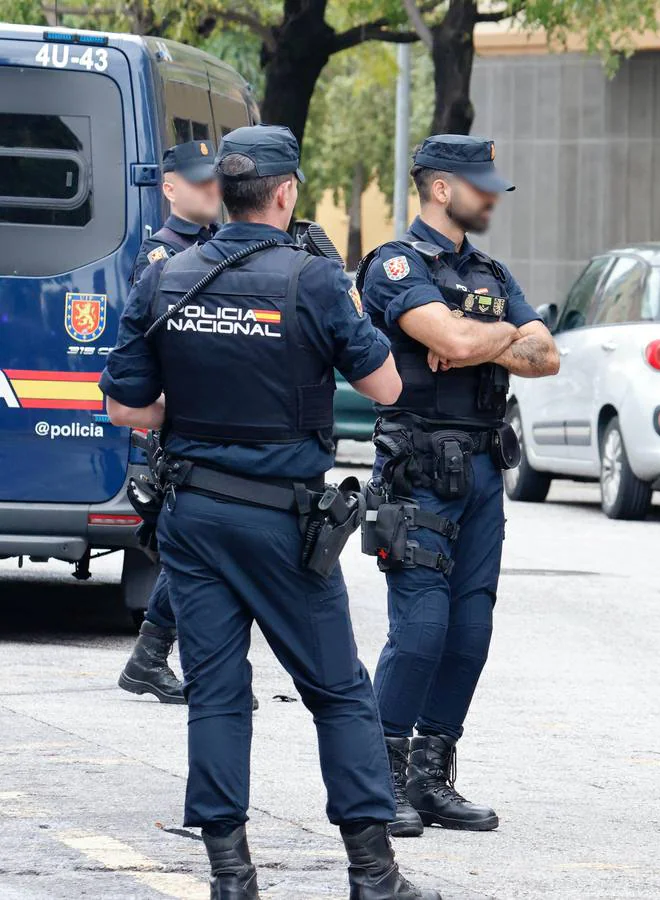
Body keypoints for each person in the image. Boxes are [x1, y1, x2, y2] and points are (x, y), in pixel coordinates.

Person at [100, 125, 438, 900]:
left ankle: (230, 877)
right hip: (285, 527)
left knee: (217, 693)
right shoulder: (315, 281)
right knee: (340, 691)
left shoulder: (165, 278)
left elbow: (126, 408)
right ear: (287, 193)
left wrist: (189, 410)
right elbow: (387, 389)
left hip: (194, 519)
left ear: (221, 189)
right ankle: (373, 875)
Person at [360, 135, 560, 840]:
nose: (492, 195)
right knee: (420, 630)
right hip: (416, 469)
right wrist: (487, 336)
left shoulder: (492, 272)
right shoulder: (393, 264)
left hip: (480, 469)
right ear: (441, 187)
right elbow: (452, 335)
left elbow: (547, 356)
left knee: (470, 632)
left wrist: (476, 337)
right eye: (480, 184)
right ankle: (380, 778)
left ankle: (431, 777)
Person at [118, 139, 223, 705]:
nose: (212, 189)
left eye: (216, 180)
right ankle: (155, 657)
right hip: (181, 424)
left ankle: (149, 657)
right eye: (200, 180)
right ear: (169, 187)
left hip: (211, 420)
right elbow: (148, 349)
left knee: (195, 551)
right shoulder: (161, 259)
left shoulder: (216, 247)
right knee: (194, 549)